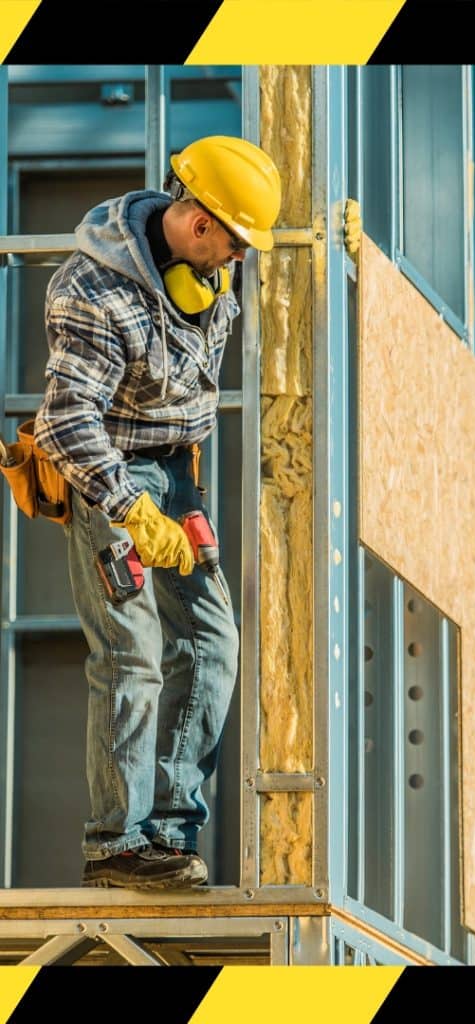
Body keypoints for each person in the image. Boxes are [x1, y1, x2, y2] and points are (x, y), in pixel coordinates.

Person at [33, 135, 282, 890]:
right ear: (200, 222)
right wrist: (133, 511)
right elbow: (64, 420)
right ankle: (117, 845)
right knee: (132, 654)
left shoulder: (206, 275)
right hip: (114, 481)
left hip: (180, 479)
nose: (238, 261)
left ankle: (169, 836)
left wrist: (179, 498)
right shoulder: (93, 290)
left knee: (212, 643)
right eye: (234, 243)